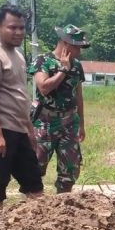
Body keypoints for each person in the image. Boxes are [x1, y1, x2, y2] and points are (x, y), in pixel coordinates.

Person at [0, 4, 43, 211]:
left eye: (22, 28)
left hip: (19, 129)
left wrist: (30, 131)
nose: (19, 32)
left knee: (34, 184)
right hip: (0, 129)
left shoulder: (18, 56)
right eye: (12, 27)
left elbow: (20, 98)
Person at [29, 24, 90, 194]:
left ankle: (63, 207)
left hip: (69, 122)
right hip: (45, 122)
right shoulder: (43, 61)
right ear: (65, 44)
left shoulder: (77, 65)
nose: (79, 51)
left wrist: (82, 124)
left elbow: (78, 96)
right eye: (77, 47)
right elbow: (43, 88)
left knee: (70, 169)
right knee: (35, 167)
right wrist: (63, 69)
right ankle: (34, 207)